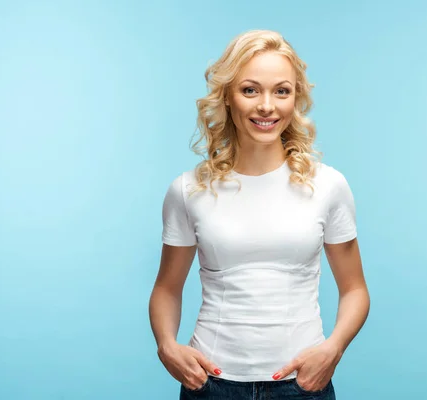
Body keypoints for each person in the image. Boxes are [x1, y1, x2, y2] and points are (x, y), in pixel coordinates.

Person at [149, 29, 370, 399]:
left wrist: (334, 349)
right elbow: (166, 290)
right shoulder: (188, 190)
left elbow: (355, 290)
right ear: (227, 97)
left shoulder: (328, 186)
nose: (267, 106)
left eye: (281, 91)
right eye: (250, 90)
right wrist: (166, 346)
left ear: (295, 99)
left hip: (301, 386)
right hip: (211, 386)